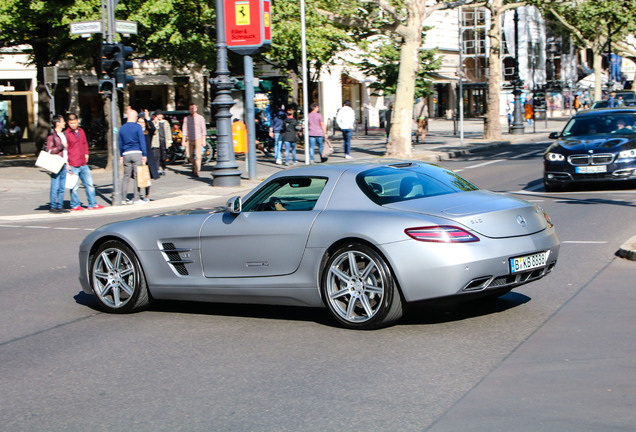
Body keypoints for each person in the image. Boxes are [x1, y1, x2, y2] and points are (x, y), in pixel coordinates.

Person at [65, 113, 103, 211]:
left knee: (89, 184)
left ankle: (92, 203)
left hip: (83, 162)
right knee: (74, 186)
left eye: (74, 122)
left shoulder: (81, 131)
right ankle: (75, 204)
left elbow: (85, 143)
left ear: (78, 121)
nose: (73, 125)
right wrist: (67, 163)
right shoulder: (67, 134)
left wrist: (86, 153)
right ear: (68, 123)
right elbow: (66, 149)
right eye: (71, 123)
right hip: (73, 162)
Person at [119, 109, 148, 205]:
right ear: (135, 117)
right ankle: (136, 198)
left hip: (126, 153)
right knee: (137, 176)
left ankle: (123, 198)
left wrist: (121, 154)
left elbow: (120, 143)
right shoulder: (138, 127)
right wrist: (144, 154)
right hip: (137, 152)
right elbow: (142, 141)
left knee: (126, 176)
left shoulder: (122, 128)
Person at [46, 114, 69, 213]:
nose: (64, 123)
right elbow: (50, 150)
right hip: (56, 163)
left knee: (62, 186)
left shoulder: (63, 135)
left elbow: (66, 151)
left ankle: (60, 205)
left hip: (64, 162)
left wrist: (67, 162)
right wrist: (61, 146)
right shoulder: (52, 136)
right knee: (55, 185)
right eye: (62, 121)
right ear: (57, 123)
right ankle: (53, 206)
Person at [137, 113, 158, 200]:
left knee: (147, 176)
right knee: (138, 176)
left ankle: (146, 195)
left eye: (142, 122)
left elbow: (153, 128)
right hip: (138, 154)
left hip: (148, 155)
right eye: (139, 122)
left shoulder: (147, 132)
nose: (141, 124)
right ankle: (137, 194)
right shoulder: (136, 132)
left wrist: (148, 119)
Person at [182, 103, 206, 177]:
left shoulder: (200, 118)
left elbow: (203, 129)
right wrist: (183, 140)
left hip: (198, 138)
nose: (192, 110)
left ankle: (196, 171)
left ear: (196, 109)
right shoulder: (187, 118)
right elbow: (184, 129)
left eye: (193, 108)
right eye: (190, 109)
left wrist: (203, 139)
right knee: (189, 155)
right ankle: (194, 166)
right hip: (189, 139)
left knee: (198, 156)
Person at [152, 109, 172, 175]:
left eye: (160, 115)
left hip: (164, 140)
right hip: (156, 141)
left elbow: (168, 132)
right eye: (158, 115)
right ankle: (157, 169)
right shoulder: (153, 123)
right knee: (156, 156)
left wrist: (169, 141)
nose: (159, 116)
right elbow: (153, 131)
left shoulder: (166, 122)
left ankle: (163, 168)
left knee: (164, 156)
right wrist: (156, 123)